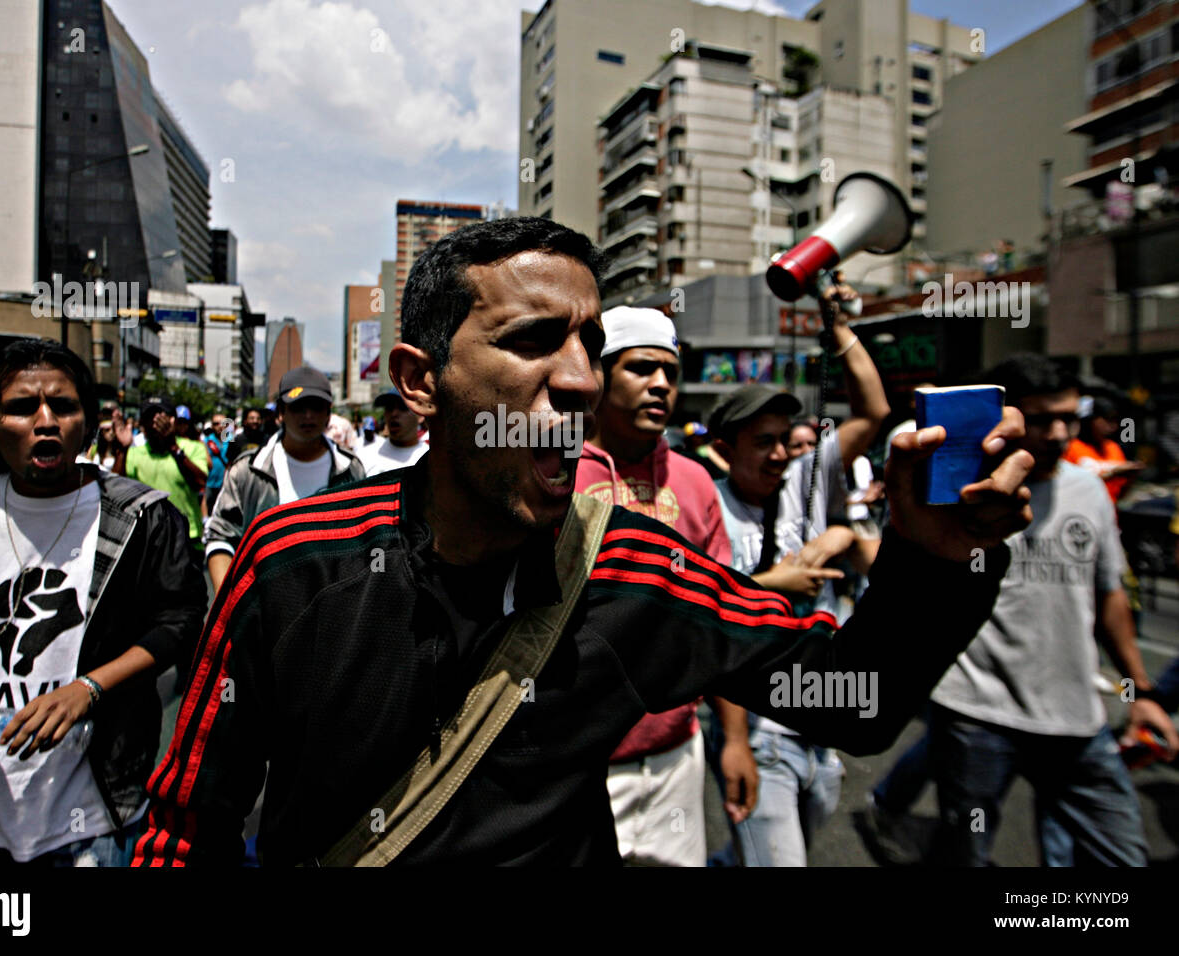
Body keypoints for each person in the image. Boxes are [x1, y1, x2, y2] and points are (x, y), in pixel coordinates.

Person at [133, 216, 1032, 867]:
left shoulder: (634, 570)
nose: (577, 380)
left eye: (590, 347)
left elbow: (857, 700)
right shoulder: (294, 560)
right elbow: (183, 831)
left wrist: (939, 560)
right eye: (531, 341)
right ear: (418, 384)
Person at [0, 339, 204, 866]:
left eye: (65, 406)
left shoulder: (142, 519)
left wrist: (89, 689)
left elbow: (181, 619)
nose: (46, 420)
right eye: (23, 407)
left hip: (97, 813)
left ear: (86, 421)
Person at [924, 354, 1177, 866]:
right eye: (1041, 419)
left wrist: (1139, 691)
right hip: (977, 713)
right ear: (1010, 418)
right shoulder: (963, 490)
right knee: (965, 851)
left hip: (1077, 720)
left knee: (1121, 856)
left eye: (1070, 418)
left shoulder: (1089, 491)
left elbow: (1109, 597)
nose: (1059, 433)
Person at [707, 283, 891, 867]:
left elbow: (874, 412)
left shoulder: (808, 482)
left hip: (821, 721)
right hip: (759, 731)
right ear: (723, 448)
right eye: (762, 443)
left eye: (785, 441)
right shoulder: (707, 507)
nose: (780, 455)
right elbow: (699, 617)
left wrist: (838, 331)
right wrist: (771, 587)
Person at [574, 306, 737, 866]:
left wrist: (734, 739)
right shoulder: (555, 473)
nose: (662, 384)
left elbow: (721, 622)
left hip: (675, 754)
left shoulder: (694, 481)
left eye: (671, 371)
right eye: (642, 368)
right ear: (598, 375)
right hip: (577, 760)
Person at [203, 367, 364, 594]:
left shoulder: (351, 470)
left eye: (317, 406)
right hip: (263, 614)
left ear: (329, 413)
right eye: (298, 406)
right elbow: (220, 537)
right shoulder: (247, 471)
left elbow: (364, 545)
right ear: (281, 412)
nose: (308, 415)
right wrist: (231, 606)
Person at [113, 399, 210, 559]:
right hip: (146, 540)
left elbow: (200, 482)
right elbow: (116, 490)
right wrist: (122, 450)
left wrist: (173, 447)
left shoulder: (193, 448)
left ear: (172, 420)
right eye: (150, 418)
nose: (155, 423)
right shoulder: (134, 454)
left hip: (187, 538)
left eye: (160, 417)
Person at [1063, 396, 1142, 505]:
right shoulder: (1070, 448)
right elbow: (1068, 487)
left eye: (1115, 421)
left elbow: (1120, 494)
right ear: (1090, 419)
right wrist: (1112, 473)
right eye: (1107, 420)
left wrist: (1131, 477)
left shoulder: (1113, 447)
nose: (1113, 427)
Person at [356, 389, 429, 476]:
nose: (394, 414)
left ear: (420, 415)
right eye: (389, 408)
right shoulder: (364, 456)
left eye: (403, 407)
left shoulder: (434, 460)